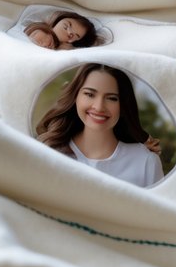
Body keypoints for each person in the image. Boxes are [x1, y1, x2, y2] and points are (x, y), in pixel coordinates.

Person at [35, 63, 164, 187]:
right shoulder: (49, 152)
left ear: (123, 105)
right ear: (76, 97)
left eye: (112, 98)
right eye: (90, 94)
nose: (99, 107)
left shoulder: (145, 161)